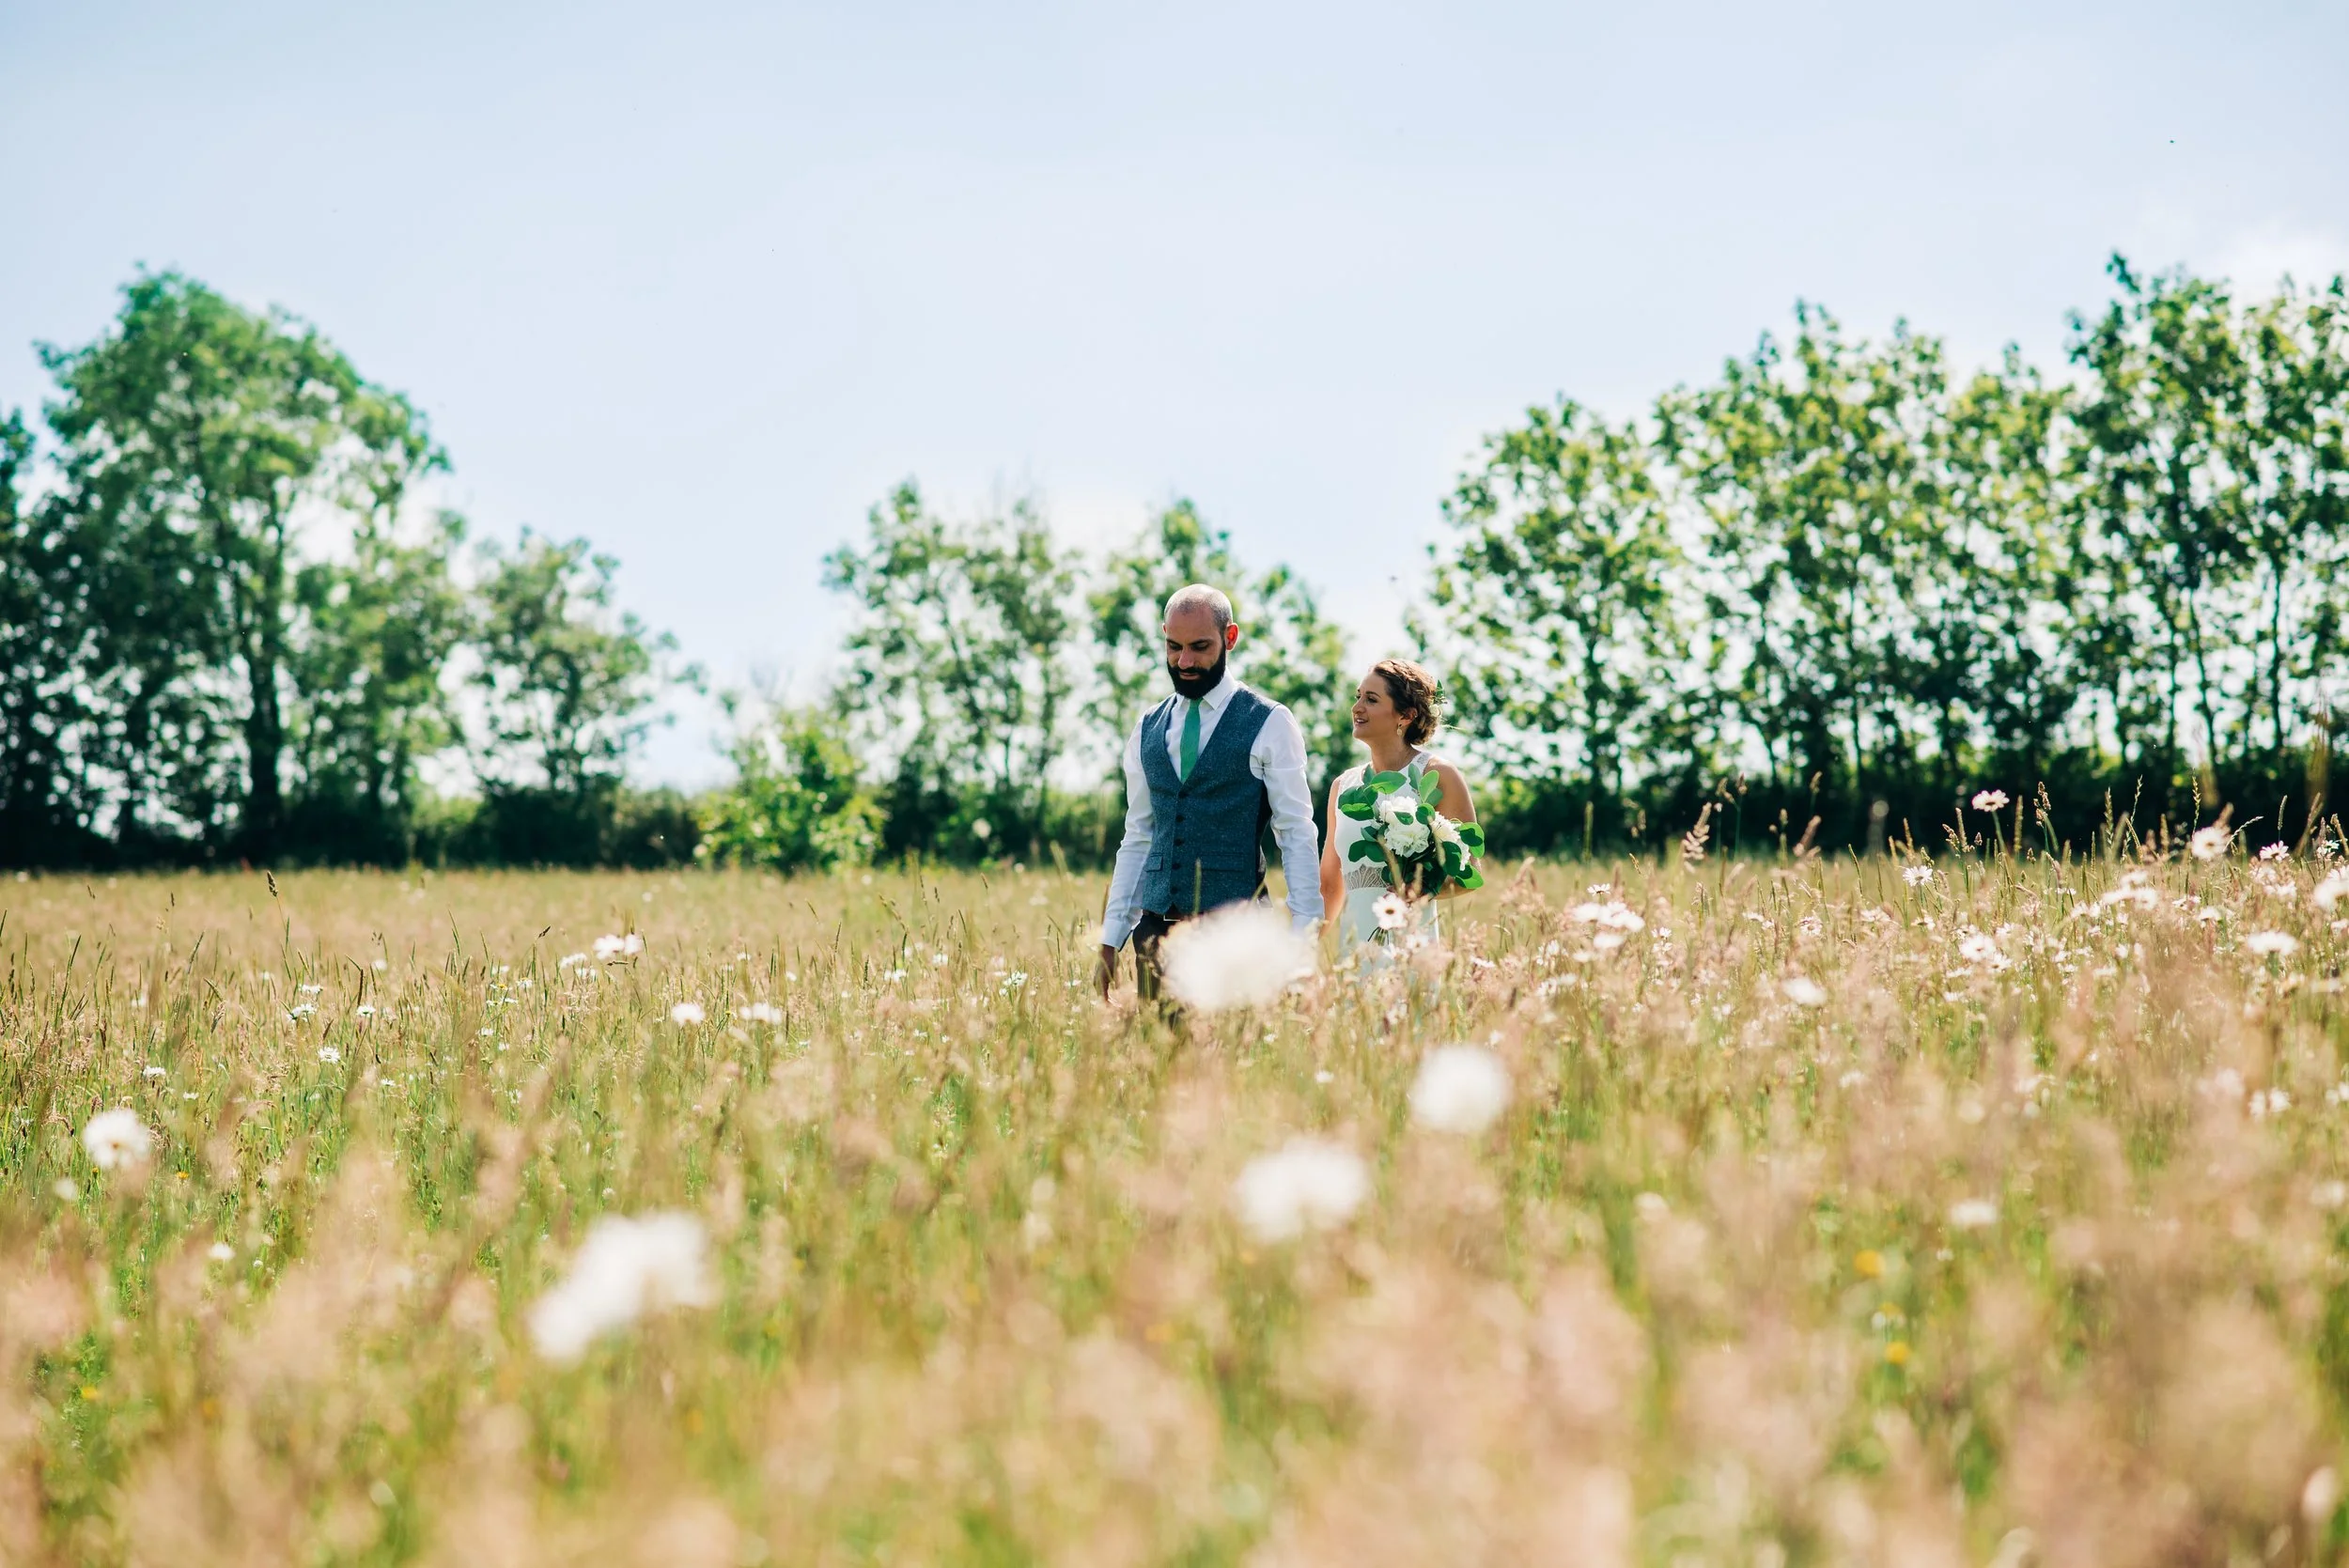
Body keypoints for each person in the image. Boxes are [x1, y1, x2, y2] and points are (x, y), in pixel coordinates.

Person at [1097, 585, 1324, 1001]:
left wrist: (1302, 936)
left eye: (1200, 647)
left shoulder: (1270, 722)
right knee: (1159, 1061)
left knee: (1235, 1062)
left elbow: (1295, 832)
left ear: (1230, 638)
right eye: (1173, 646)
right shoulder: (1147, 726)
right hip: (1155, 937)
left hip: (1236, 941)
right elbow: (1139, 836)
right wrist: (1112, 935)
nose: (1184, 661)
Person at [1318, 658, 1479, 948]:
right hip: (1354, 953)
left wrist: (1419, 891)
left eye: (1371, 699)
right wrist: (1300, 947)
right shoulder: (1343, 787)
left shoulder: (1437, 774)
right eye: (1358, 697)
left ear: (1405, 716)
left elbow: (1470, 874)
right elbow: (1329, 887)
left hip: (1411, 947)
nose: (1357, 707)